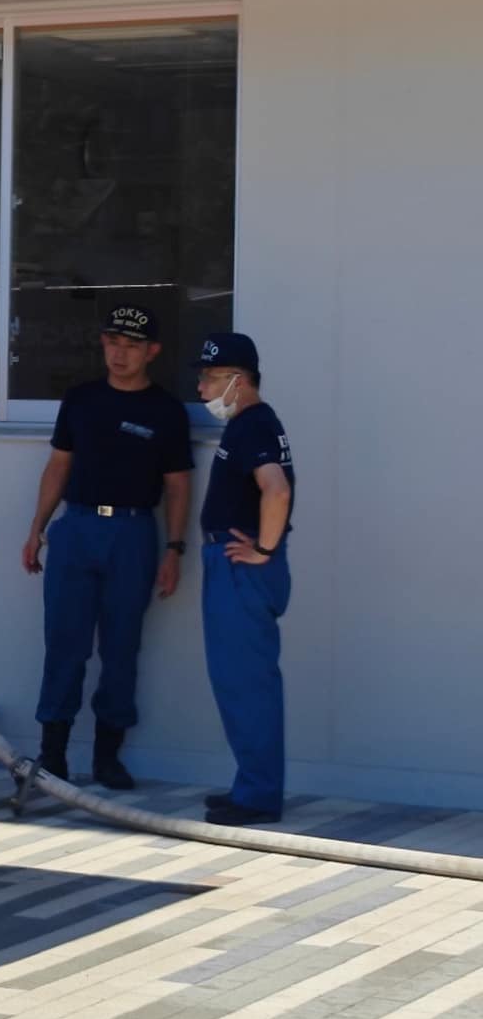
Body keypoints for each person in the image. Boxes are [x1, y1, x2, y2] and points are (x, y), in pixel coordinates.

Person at [21, 305, 193, 789]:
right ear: (102, 343)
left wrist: (175, 549)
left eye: (132, 345)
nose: (120, 353)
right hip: (76, 530)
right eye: (113, 342)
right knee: (64, 644)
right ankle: (51, 755)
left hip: (134, 535)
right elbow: (58, 466)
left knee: (121, 647)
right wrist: (37, 528)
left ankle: (107, 757)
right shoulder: (82, 400)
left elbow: (178, 486)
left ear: (152, 351)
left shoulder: (165, 411)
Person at [195, 332, 294, 826]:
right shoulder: (250, 424)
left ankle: (257, 797)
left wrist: (264, 550)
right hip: (236, 569)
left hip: (240, 571)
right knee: (240, 682)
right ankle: (250, 785)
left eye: (212, 378)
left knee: (246, 683)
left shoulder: (253, 424)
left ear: (240, 380)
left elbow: (275, 491)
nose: (202, 387)